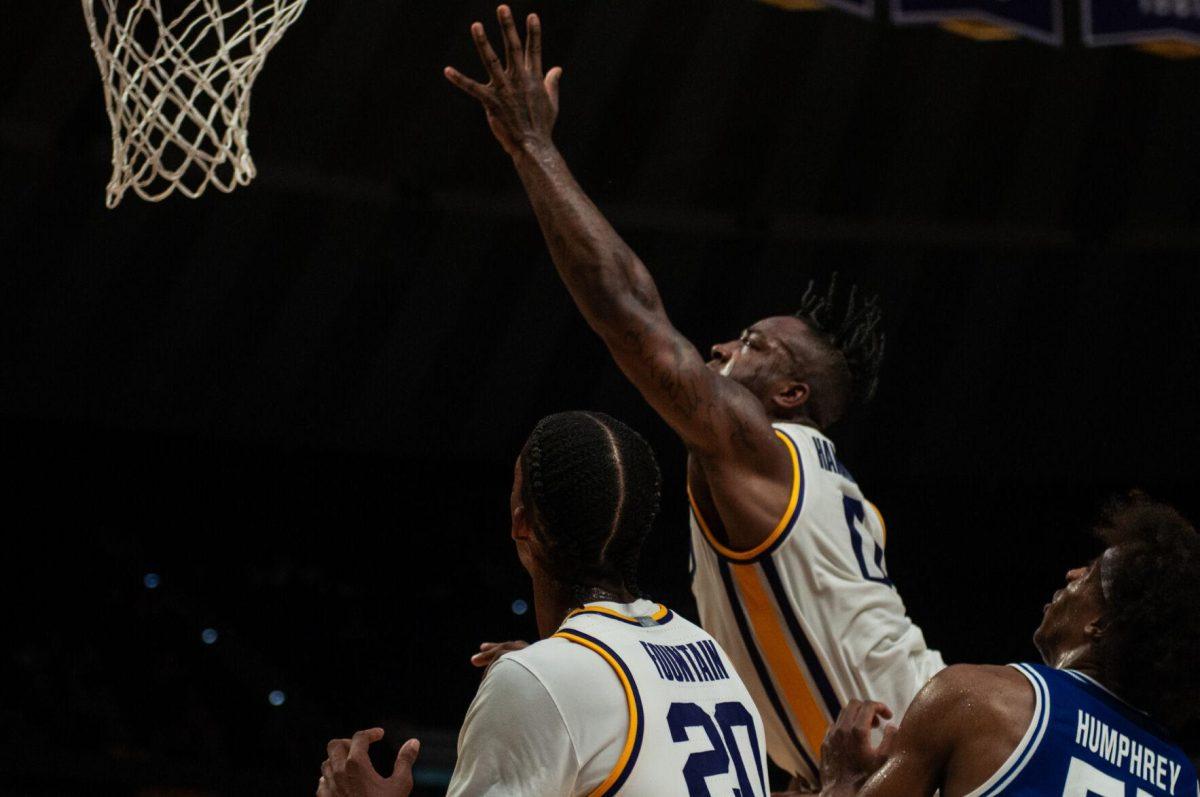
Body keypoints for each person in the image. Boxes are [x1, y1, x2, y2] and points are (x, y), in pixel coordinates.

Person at [444, 5, 942, 786]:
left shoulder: (764, 450)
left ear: (788, 391)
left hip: (920, 761)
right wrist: (588, 672)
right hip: (878, 760)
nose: (719, 349)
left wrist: (533, 144)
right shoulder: (836, 496)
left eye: (751, 344)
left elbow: (629, 313)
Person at [318, 411, 770, 797]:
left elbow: (574, 690)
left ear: (521, 524)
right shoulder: (707, 649)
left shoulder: (540, 679)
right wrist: (550, 671)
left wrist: (542, 679)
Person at [815, 494, 1200, 797]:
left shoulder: (981, 701)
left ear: (1099, 624)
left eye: (1091, 574)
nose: (1073, 574)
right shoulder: (1186, 782)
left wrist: (841, 783)